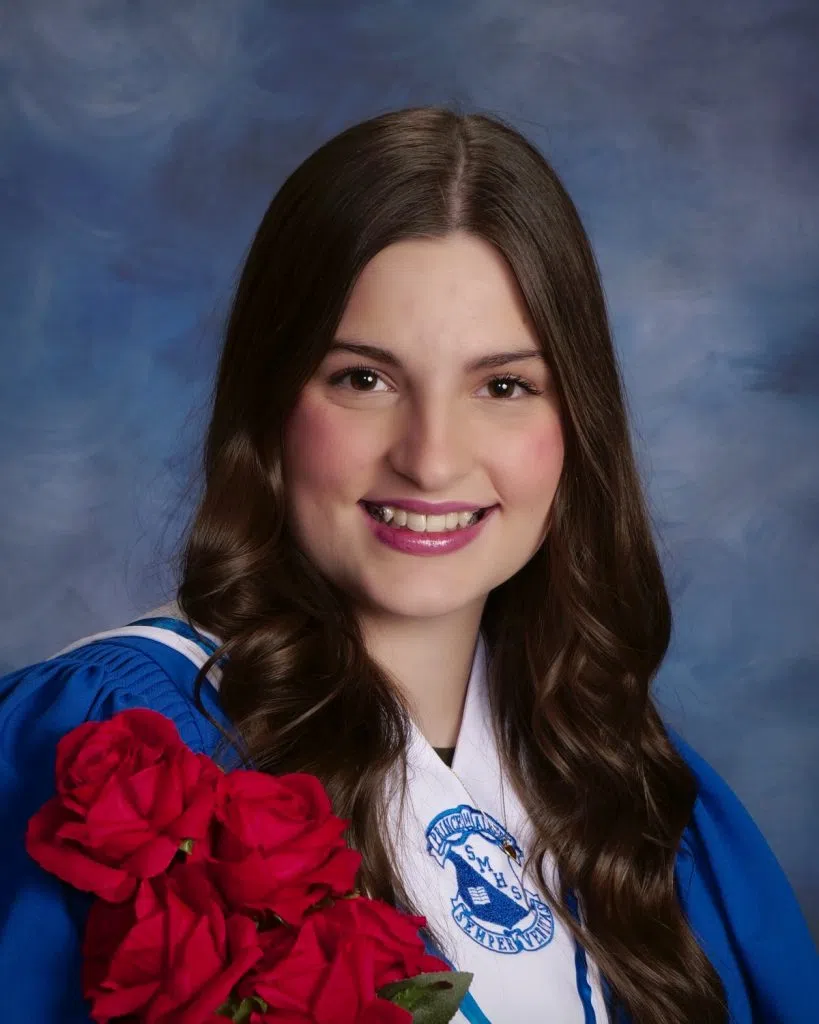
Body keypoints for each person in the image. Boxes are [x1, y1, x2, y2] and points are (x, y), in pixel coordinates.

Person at [0, 107, 815, 1024]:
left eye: (503, 386)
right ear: (270, 405)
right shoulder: (108, 757)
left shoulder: (647, 811)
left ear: (575, 425)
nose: (430, 460)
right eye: (364, 379)